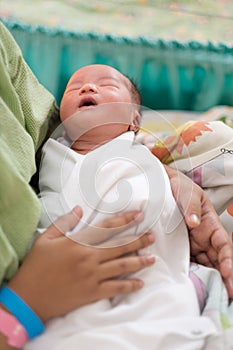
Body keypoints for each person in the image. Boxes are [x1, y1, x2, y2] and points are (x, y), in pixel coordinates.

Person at [0, 21, 232, 350]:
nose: (86, 89)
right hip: (58, 269)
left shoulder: (142, 153)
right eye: (73, 87)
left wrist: (166, 174)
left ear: (134, 120)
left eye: (105, 85)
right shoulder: (51, 151)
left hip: (148, 260)